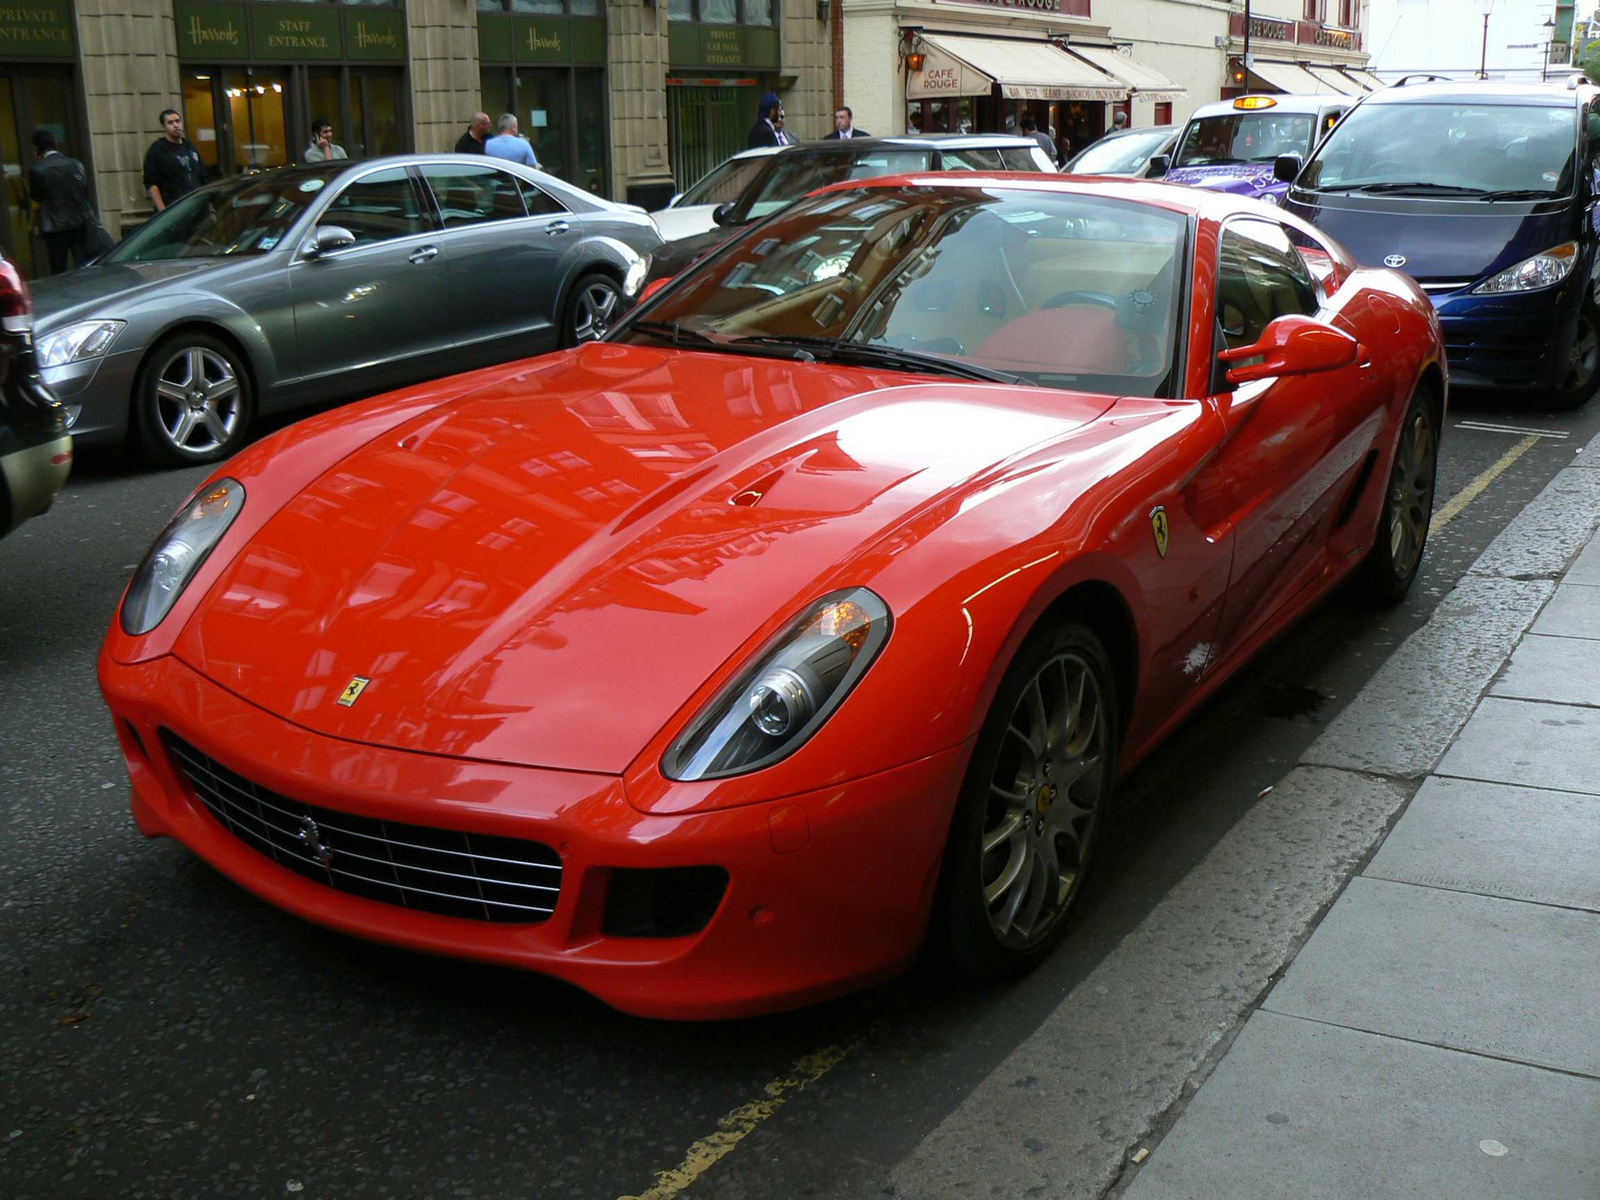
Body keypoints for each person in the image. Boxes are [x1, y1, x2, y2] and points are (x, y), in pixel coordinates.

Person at [28, 128, 91, 274]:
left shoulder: (37, 170)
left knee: (58, 269)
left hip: (54, 227)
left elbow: (36, 196)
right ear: (56, 144)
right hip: (79, 223)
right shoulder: (75, 164)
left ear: (37, 150)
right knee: (83, 267)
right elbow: (83, 191)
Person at [143, 108, 203, 212]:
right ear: (164, 127)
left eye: (177, 121)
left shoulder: (189, 147)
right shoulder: (157, 150)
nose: (176, 125)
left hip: (196, 207)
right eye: (170, 123)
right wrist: (163, 211)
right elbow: (151, 183)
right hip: (174, 209)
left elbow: (202, 175)